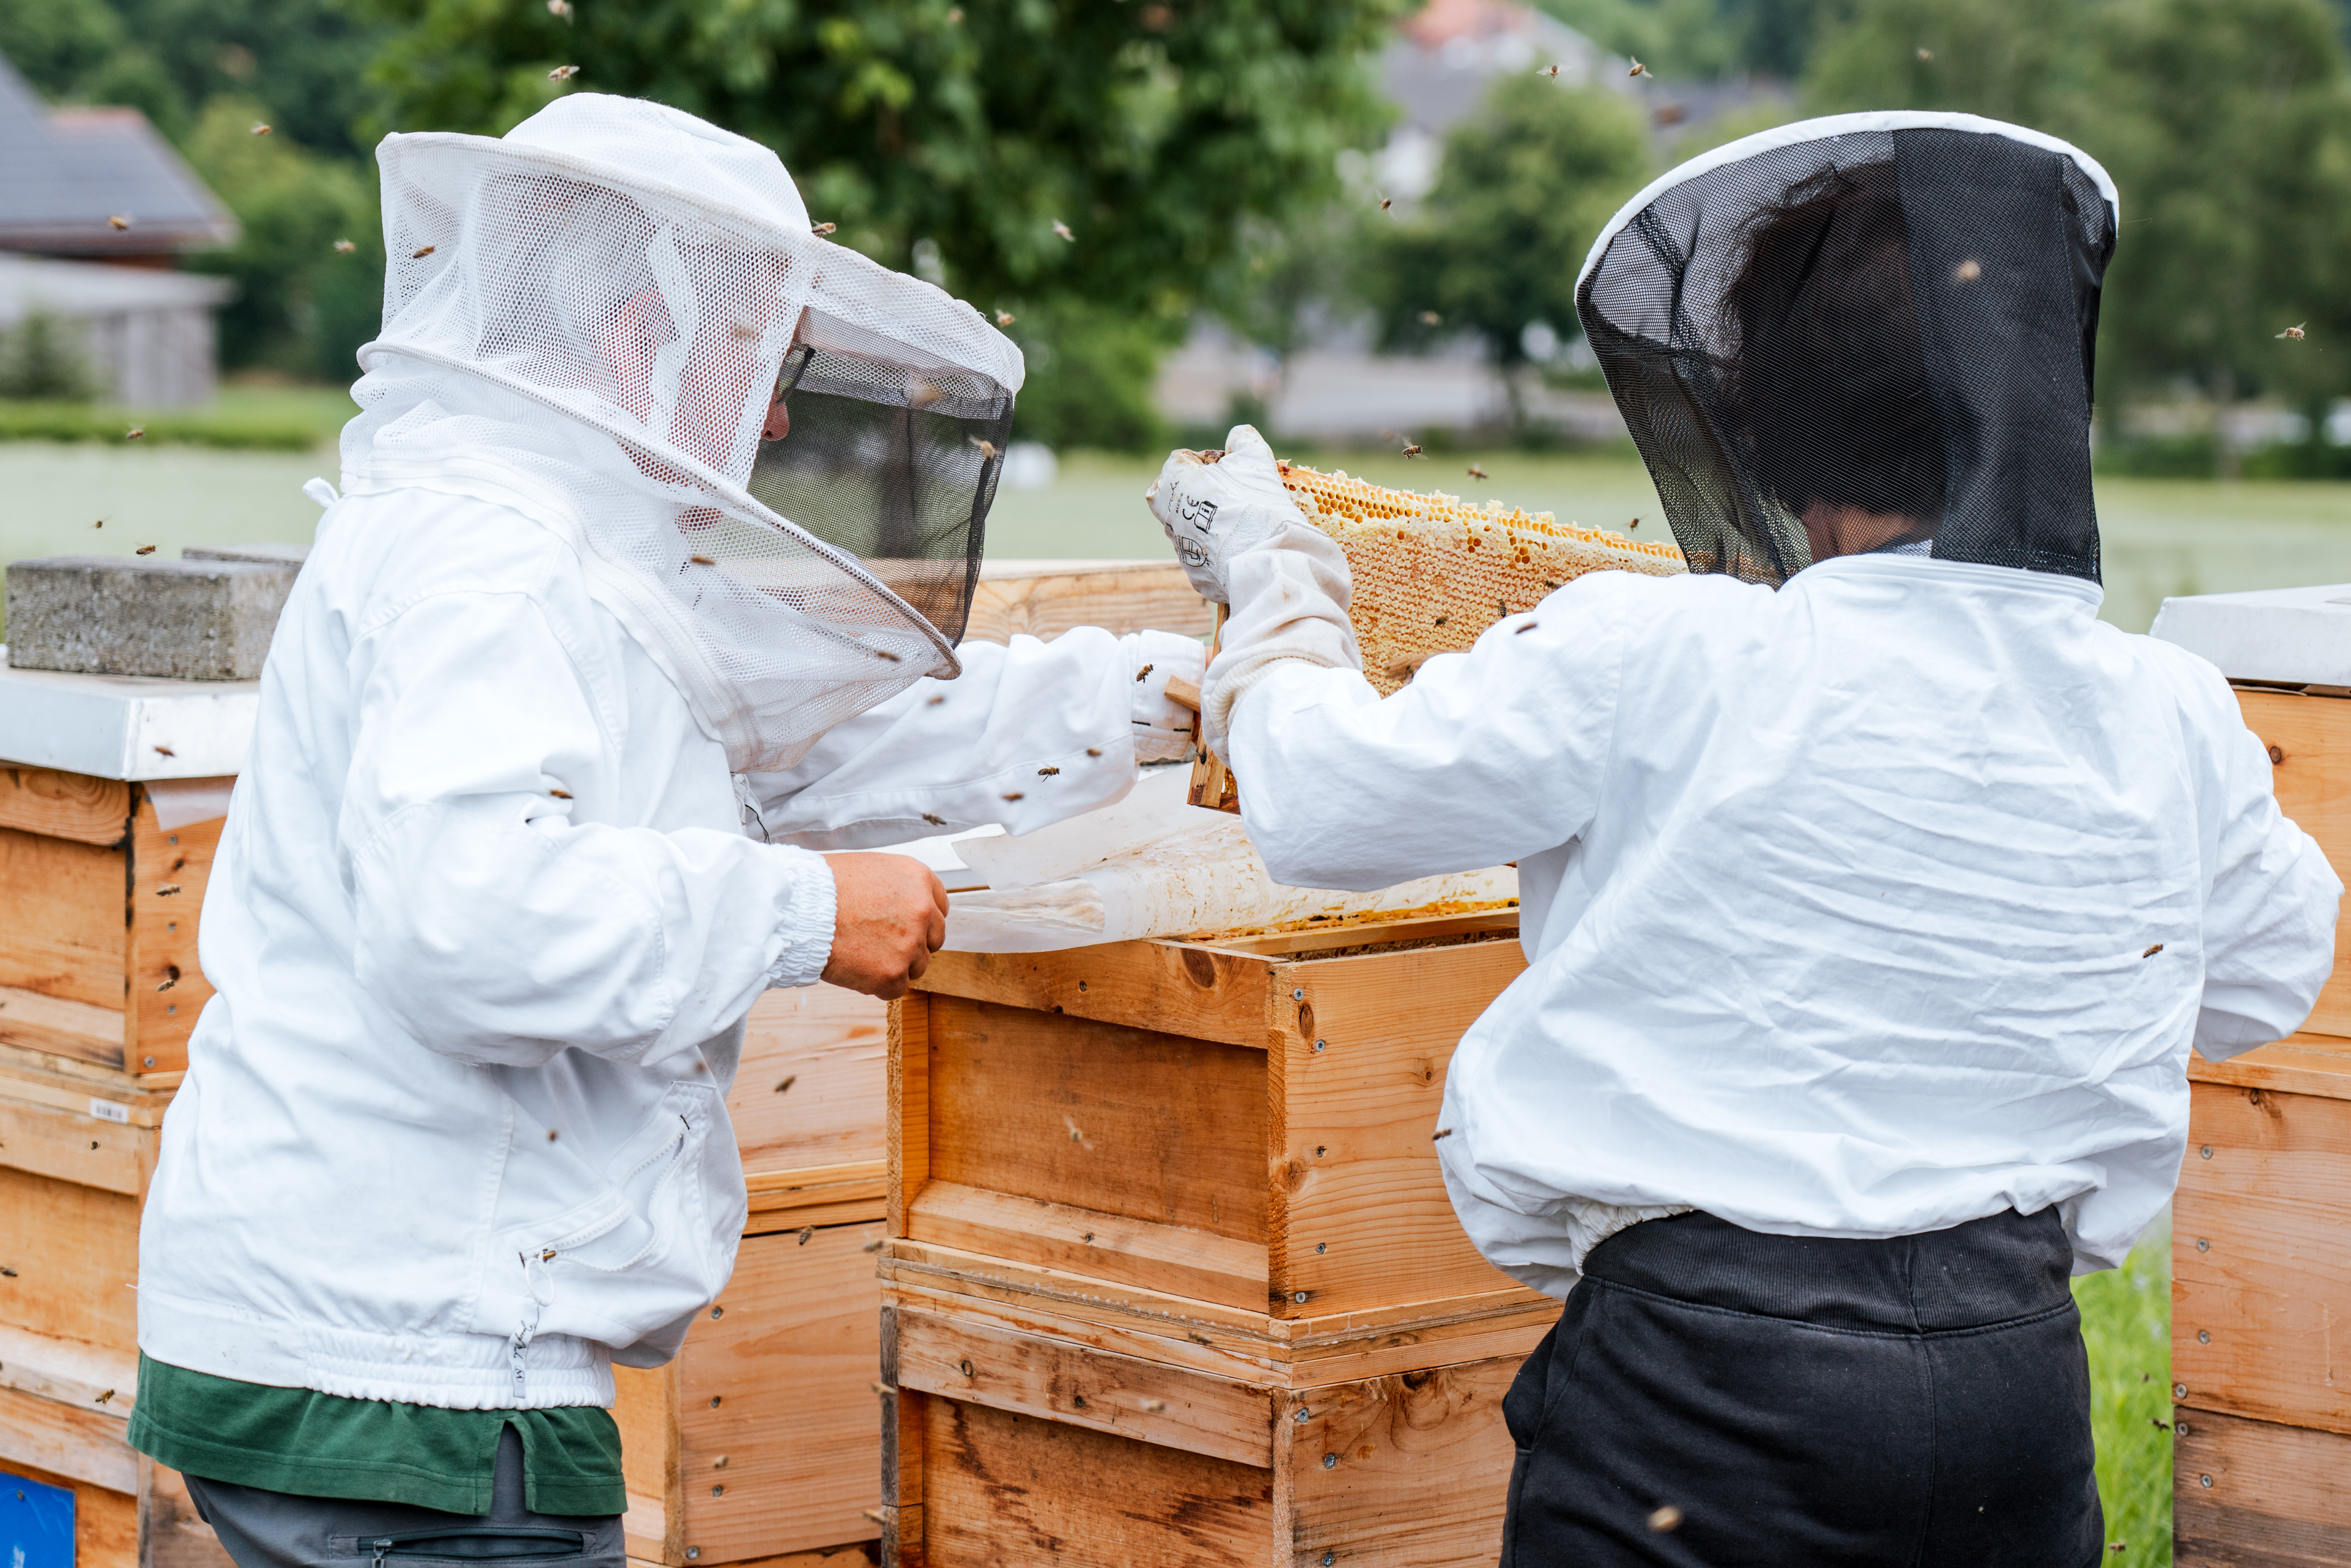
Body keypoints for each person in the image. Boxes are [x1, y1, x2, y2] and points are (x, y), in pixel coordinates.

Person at [1148, 113, 2340, 1566]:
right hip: (2012, 1391)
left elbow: (1325, 800)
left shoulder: (1659, 650)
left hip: (1696, 1397)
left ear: (1773, 438)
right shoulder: (2162, 707)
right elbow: (2266, 976)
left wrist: (1276, 581)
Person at [125, 95, 1202, 1568]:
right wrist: (810, 913)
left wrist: (1159, 695)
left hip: (378, 1344)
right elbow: (473, 920)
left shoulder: (547, 542)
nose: (776, 415)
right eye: (761, 354)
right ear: (644, 335)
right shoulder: (492, 564)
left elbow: (815, 740)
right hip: (414, 1374)